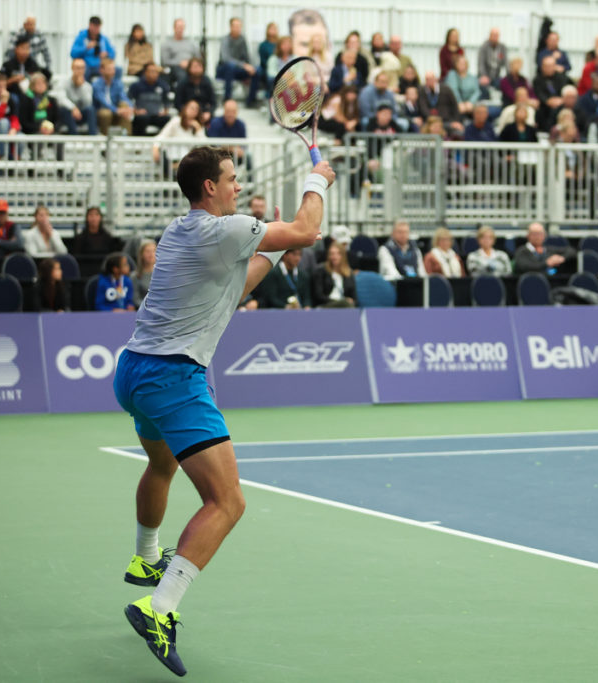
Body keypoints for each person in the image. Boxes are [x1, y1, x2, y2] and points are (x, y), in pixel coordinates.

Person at [113, 146, 333, 675]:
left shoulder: (179, 231)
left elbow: (238, 283)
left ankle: (145, 557)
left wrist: (271, 242)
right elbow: (307, 231)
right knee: (227, 502)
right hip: (174, 378)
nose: (237, 186)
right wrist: (318, 181)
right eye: (232, 179)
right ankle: (159, 607)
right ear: (209, 187)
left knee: (162, 465)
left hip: (133, 370)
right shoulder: (224, 229)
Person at [216, 17, 257, 105]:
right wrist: (244, 65)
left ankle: (251, 100)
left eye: (239, 26)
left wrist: (250, 67)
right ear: (231, 27)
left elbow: (246, 57)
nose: (238, 28)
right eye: (236, 26)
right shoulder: (225, 40)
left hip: (238, 69)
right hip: (223, 69)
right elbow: (226, 59)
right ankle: (227, 99)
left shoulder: (242, 39)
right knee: (230, 66)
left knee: (257, 70)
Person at [152, 100, 206, 165]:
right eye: (191, 108)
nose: (194, 111)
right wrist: (155, 148)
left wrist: (198, 128)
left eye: (196, 109)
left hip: (190, 160)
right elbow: (162, 135)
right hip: (173, 157)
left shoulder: (199, 125)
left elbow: (204, 144)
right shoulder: (176, 121)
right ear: (185, 108)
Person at [93, 57, 134, 135]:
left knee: (124, 105)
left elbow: (123, 96)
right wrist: (116, 110)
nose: (112, 72)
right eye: (109, 69)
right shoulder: (96, 84)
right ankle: (106, 138)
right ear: (101, 70)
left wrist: (130, 107)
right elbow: (103, 102)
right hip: (101, 111)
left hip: (116, 112)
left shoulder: (117, 83)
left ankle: (126, 137)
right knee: (106, 113)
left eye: (113, 69)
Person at [129, 63, 172, 136]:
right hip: (142, 114)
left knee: (167, 119)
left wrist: (165, 111)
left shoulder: (163, 85)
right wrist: (136, 111)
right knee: (141, 119)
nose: (154, 74)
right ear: (145, 72)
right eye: (151, 71)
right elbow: (128, 100)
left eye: (156, 72)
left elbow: (167, 101)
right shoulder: (136, 86)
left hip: (157, 115)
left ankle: (161, 141)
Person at [60, 57, 98, 134]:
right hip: (68, 114)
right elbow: (61, 99)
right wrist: (73, 108)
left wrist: (82, 87)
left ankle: (93, 137)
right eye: (77, 68)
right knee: (64, 110)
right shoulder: (64, 83)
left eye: (82, 68)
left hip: (81, 114)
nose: (80, 70)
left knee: (91, 109)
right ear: (72, 68)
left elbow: (88, 103)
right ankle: (74, 136)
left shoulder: (87, 86)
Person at [71, 16, 116, 81]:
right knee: (83, 70)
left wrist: (107, 54)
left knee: (116, 70)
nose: (96, 29)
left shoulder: (103, 38)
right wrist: (86, 48)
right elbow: (73, 53)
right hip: (86, 65)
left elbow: (113, 53)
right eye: (95, 26)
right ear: (90, 25)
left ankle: (110, 89)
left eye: (98, 27)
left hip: (100, 66)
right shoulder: (81, 37)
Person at [312, 241, 356, 307]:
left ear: (343, 256)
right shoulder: (321, 270)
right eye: (332, 254)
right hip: (326, 305)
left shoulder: (349, 273)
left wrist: (350, 301)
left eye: (338, 254)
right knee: (345, 304)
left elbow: (354, 296)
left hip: (344, 306)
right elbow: (319, 295)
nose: (334, 257)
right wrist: (339, 301)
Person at [175, 57, 216, 126]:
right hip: (186, 114)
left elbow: (213, 102)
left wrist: (209, 112)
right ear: (189, 68)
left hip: (204, 113)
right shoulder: (183, 83)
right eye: (194, 67)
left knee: (215, 123)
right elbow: (177, 103)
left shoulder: (207, 82)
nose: (197, 69)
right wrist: (187, 113)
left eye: (199, 66)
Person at [161, 18, 201, 86]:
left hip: (191, 67)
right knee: (182, 76)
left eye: (182, 27)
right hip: (176, 68)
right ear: (174, 28)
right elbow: (165, 61)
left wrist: (192, 64)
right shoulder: (167, 44)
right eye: (179, 27)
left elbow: (198, 57)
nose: (180, 29)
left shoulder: (191, 43)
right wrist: (179, 63)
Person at [478, 28, 506, 93]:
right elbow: (480, 63)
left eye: (496, 35)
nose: (495, 37)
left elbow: (506, 62)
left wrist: (509, 77)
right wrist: (483, 75)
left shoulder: (502, 47)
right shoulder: (484, 47)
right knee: (483, 86)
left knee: (504, 84)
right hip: (485, 75)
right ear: (490, 36)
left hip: (496, 76)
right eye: (493, 35)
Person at [133, 239, 156, 307]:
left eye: (154, 251)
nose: (151, 254)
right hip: (144, 311)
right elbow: (136, 299)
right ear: (141, 254)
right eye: (148, 251)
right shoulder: (135, 276)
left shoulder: (164, 274)